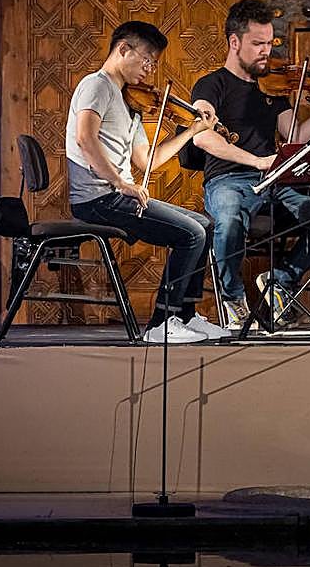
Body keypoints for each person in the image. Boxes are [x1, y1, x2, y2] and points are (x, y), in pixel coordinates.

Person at [191, 0, 310, 328]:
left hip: (275, 181)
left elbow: (296, 134)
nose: (266, 51)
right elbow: (201, 137)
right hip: (228, 180)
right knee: (227, 220)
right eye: (258, 44)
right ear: (234, 42)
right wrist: (257, 161)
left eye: (269, 43)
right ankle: (233, 300)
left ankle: (280, 281)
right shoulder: (211, 85)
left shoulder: (271, 85)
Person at [66, 21, 228, 344]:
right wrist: (121, 183)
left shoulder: (129, 103)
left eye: (154, 62)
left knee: (204, 225)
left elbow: (147, 161)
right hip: (98, 199)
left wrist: (192, 131)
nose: (150, 69)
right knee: (191, 234)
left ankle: (184, 315)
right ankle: (161, 323)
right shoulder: (96, 85)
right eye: (147, 59)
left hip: (118, 195)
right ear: (123, 49)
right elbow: (85, 139)